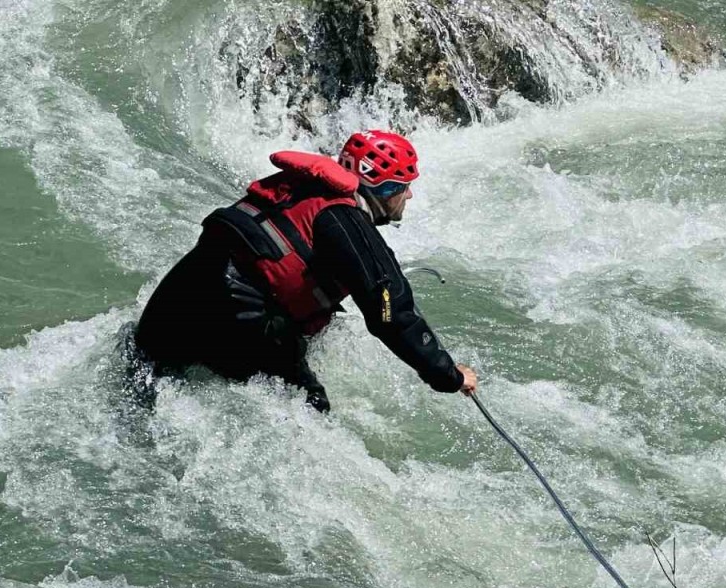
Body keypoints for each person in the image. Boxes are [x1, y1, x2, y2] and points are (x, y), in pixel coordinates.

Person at [132, 130, 478, 412]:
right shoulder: (345, 220)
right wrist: (448, 375)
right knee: (307, 409)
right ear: (385, 190)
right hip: (239, 313)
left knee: (141, 391)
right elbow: (391, 313)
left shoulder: (300, 187)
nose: (410, 195)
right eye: (404, 186)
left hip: (179, 293)